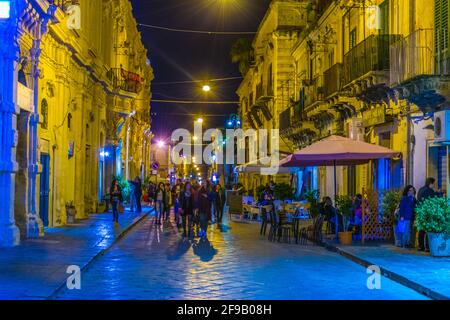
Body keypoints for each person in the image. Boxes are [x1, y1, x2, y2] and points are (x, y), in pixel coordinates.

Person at [417, 177, 438, 252]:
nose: (434, 186)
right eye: (433, 184)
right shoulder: (430, 190)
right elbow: (434, 199)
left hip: (420, 212)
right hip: (428, 212)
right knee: (428, 230)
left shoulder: (420, 189)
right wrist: (438, 193)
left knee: (421, 230)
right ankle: (427, 247)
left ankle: (420, 246)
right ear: (430, 183)